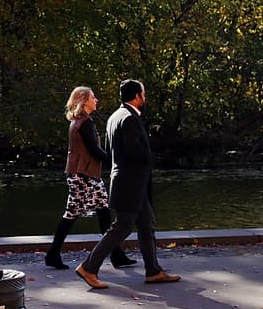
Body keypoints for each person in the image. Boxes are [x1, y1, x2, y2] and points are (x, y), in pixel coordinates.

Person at [75, 79, 180, 290]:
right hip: (131, 183)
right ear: (137, 96)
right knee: (122, 227)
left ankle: (153, 271)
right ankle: (88, 267)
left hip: (127, 182)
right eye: (144, 93)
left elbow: (110, 152)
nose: (145, 97)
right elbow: (134, 151)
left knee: (147, 225)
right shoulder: (130, 119)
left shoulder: (115, 116)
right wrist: (149, 160)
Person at [45, 86, 137, 270]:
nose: (96, 100)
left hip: (84, 175)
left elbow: (91, 149)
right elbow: (94, 149)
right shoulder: (85, 122)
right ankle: (53, 254)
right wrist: (115, 161)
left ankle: (115, 254)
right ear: (84, 100)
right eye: (93, 97)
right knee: (75, 214)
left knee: (100, 211)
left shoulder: (79, 121)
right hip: (84, 176)